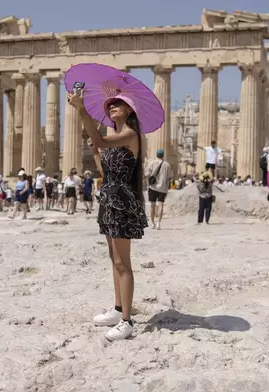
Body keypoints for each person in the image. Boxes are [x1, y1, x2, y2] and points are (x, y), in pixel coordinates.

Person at [68, 91, 148, 341]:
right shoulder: (115, 137)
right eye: (110, 105)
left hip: (123, 201)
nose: (112, 107)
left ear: (129, 110)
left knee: (123, 262)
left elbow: (102, 141)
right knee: (114, 258)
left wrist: (82, 110)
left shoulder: (131, 135)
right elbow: (106, 170)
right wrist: (94, 153)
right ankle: (117, 310)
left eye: (118, 104)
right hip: (109, 198)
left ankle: (127, 320)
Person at [145, 148, 172, 230]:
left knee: (152, 206)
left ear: (156, 154)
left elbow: (146, 175)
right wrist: (167, 188)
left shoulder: (151, 163)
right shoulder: (167, 165)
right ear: (163, 155)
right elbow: (169, 178)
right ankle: (158, 223)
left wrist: (147, 185)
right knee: (161, 206)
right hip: (163, 188)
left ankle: (152, 223)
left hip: (152, 188)